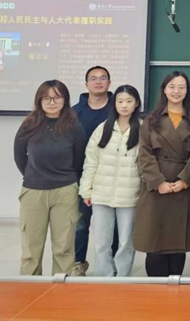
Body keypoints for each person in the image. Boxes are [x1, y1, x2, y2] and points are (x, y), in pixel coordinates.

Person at [133, 71, 190, 276]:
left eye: (181, 87)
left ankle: (174, 286)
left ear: (187, 91)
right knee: (154, 242)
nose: (176, 91)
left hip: (184, 187)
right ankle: (155, 289)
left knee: (177, 243)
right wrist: (158, 182)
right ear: (164, 89)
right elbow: (144, 153)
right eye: (172, 86)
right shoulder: (151, 119)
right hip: (156, 188)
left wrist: (184, 180)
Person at [14, 80, 85, 275]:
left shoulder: (74, 125)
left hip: (65, 191)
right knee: (31, 249)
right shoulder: (29, 125)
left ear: (65, 100)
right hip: (33, 191)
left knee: (64, 248)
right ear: (39, 100)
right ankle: (30, 286)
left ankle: (61, 288)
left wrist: (66, 180)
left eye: (57, 97)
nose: (52, 102)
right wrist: (34, 175)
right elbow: (19, 156)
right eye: (47, 98)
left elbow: (79, 159)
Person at [79, 85, 142, 277]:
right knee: (101, 242)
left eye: (129, 101)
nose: (124, 105)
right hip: (101, 194)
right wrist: (86, 190)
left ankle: (123, 277)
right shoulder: (103, 128)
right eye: (120, 101)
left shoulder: (143, 130)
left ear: (136, 104)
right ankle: (102, 277)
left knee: (126, 241)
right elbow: (91, 161)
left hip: (130, 195)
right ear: (114, 104)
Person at [71, 66, 113, 276]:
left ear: (109, 83)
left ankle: (111, 264)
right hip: (81, 176)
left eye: (103, 78)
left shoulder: (118, 109)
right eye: (93, 78)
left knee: (112, 225)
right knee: (80, 223)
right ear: (86, 84)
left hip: (111, 176)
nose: (98, 81)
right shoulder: (73, 113)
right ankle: (78, 262)